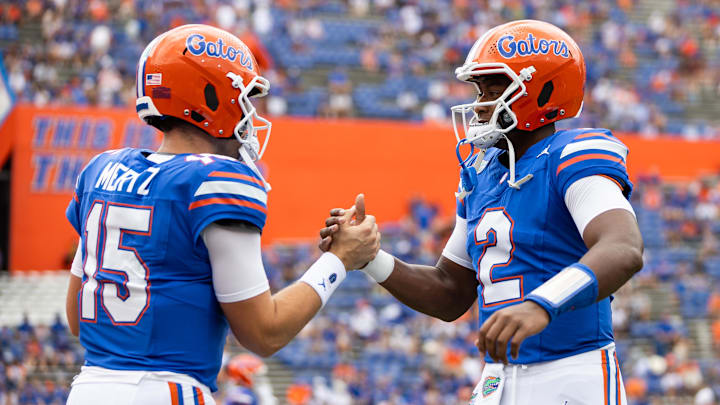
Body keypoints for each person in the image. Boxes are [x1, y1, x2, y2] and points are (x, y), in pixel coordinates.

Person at [319, 20, 643, 404]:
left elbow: (623, 247)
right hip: (496, 381)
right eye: (479, 90)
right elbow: (449, 292)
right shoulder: (481, 172)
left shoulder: (571, 154)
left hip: (572, 373)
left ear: (544, 92)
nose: (479, 103)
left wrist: (543, 303)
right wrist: (370, 259)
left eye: (494, 89)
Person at [64, 24, 380, 405]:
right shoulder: (217, 180)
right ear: (210, 96)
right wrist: (339, 260)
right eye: (245, 99)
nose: (250, 115)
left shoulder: (102, 170)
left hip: (88, 388)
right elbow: (265, 332)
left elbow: (76, 319)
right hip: (166, 392)